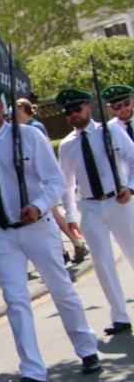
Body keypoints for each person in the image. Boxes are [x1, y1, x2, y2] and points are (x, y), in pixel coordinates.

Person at [0, 82, 101, 382]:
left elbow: (55, 180)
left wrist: (38, 205)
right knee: (15, 301)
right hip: (2, 233)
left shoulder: (28, 137)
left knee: (60, 288)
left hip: (37, 227)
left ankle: (87, 349)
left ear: (0, 105)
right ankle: (33, 372)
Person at [56, 88, 134, 336]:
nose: (74, 115)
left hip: (118, 200)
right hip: (90, 206)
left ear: (89, 108)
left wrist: (130, 187)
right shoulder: (67, 145)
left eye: (77, 109)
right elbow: (66, 184)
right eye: (68, 112)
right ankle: (120, 316)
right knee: (102, 261)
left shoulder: (111, 132)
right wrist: (70, 216)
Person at [17, 97, 89, 264]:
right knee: (49, 214)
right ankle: (63, 249)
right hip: (35, 179)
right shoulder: (24, 128)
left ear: (22, 109)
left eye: (15, 109)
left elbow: (44, 153)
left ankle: (76, 244)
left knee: (52, 213)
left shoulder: (35, 127)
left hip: (43, 178)